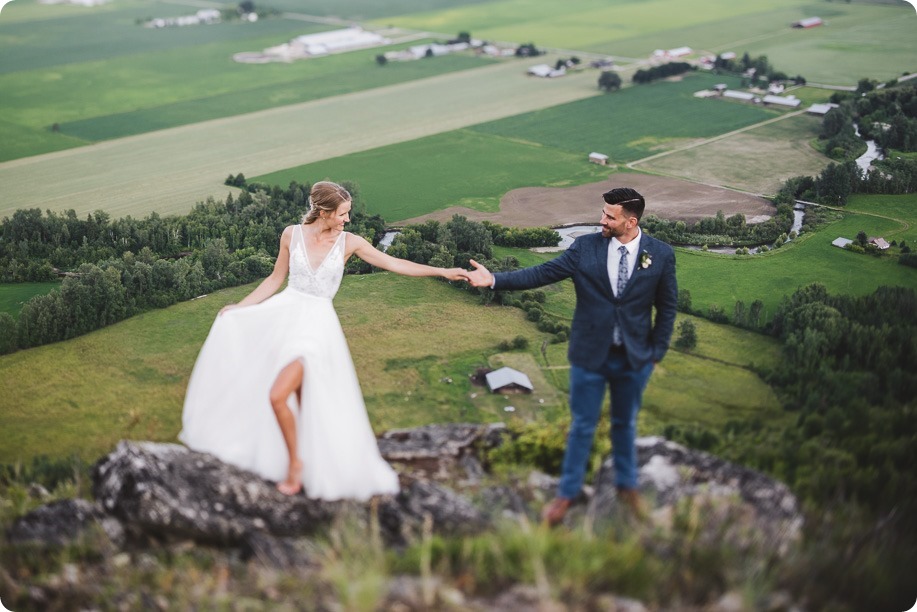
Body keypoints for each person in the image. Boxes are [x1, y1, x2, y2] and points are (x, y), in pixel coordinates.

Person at [180, 181, 469, 499]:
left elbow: (394, 263)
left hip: (318, 327)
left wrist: (442, 271)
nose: (347, 219)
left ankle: (296, 466)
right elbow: (276, 278)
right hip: (285, 317)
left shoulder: (350, 242)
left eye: (348, 213)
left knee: (278, 396)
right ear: (324, 211)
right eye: (343, 213)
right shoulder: (292, 234)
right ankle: (307, 461)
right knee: (301, 401)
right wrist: (241, 306)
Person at [466, 187, 677, 525]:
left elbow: (667, 308)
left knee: (625, 425)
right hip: (589, 356)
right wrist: (494, 280)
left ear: (630, 221)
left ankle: (627, 489)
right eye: (603, 213)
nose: (602, 220)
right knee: (582, 426)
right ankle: (567, 495)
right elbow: (541, 273)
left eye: (610, 216)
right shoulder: (585, 248)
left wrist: (655, 354)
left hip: (634, 360)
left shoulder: (661, 255)